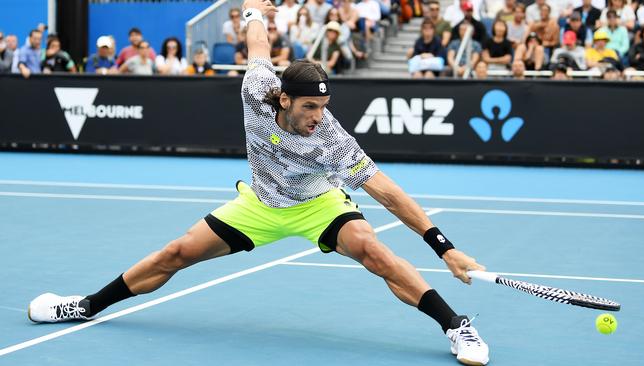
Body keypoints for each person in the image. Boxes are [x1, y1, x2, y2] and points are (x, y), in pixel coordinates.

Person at [27, 1, 490, 366]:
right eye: (310, 107)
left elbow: (386, 191)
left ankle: (455, 325)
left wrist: (444, 248)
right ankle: (86, 305)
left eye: (324, 107)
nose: (318, 117)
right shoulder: (256, 89)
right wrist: (253, 11)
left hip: (318, 204)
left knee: (373, 251)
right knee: (176, 253)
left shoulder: (332, 139)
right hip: (261, 203)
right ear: (284, 98)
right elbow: (258, 45)